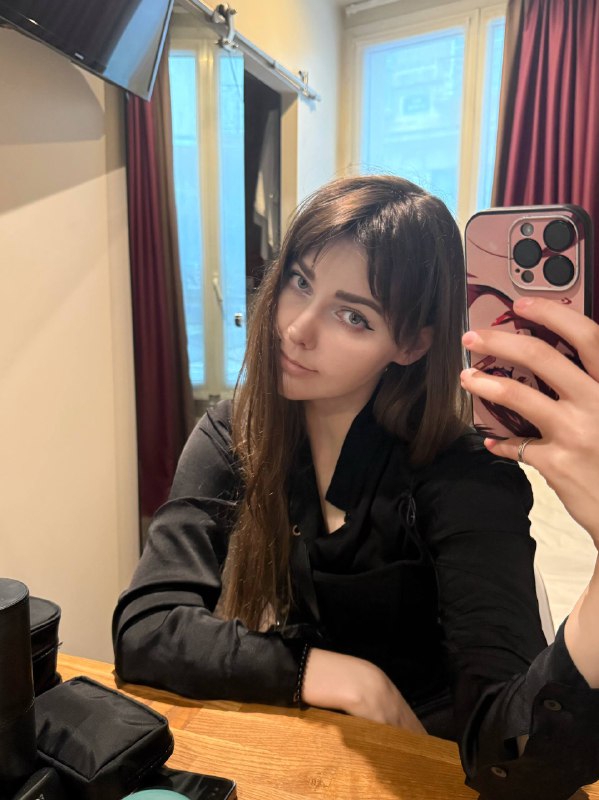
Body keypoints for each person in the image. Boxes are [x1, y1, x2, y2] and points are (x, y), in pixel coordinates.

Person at [113, 176, 599, 799]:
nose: (297, 329)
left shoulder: (463, 475)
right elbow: (147, 628)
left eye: (353, 316)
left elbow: (508, 755)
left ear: (412, 344)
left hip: (426, 760)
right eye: (300, 282)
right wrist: (340, 676)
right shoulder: (238, 429)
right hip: (305, 741)